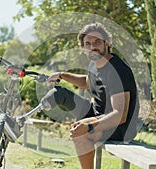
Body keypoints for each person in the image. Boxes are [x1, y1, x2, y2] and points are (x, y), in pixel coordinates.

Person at [43, 22, 138, 169]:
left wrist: (88, 127)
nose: (92, 47)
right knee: (60, 93)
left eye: (97, 42)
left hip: (120, 126)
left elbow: (120, 115)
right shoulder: (95, 63)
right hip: (99, 114)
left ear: (107, 43)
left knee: (79, 133)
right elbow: (87, 82)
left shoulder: (117, 70)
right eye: (88, 43)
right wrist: (61, 75)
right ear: (83, 48)